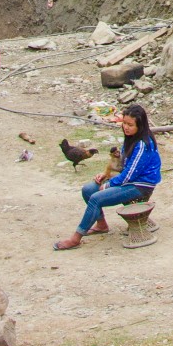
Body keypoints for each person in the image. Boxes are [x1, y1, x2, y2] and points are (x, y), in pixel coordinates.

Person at [54, 104, 163, 250]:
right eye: (124, 123)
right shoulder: (130, 139)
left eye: (130, 125)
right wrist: (105, 175)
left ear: (140, 125)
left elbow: (130, 175)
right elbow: (122, 166)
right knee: (88, 189)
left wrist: (109, 184)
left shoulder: (143, 145)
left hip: (141, 185)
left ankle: (76, 238)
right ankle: (101, 224)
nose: (126, 127)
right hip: (128, 181)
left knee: (96, 198)